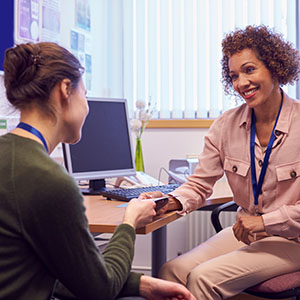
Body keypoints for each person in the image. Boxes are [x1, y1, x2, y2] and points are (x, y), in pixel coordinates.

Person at [0, 42, 196, 300]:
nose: (87, 107)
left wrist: (141, 284)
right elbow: (99, 291)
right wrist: (129, 222)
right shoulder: (50, 182)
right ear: (65, 90)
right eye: (85, 94)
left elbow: (38, 269)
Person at [140, 25, 300, 299]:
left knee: (203, 278)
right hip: (249, 234)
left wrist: (264, 223)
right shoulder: (225, 126)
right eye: (234, 76)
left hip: (293, 240)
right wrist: (170, 201)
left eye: (249, 70)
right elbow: (199, 184)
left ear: (275, 67)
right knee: (172, 272)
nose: (241, 83)